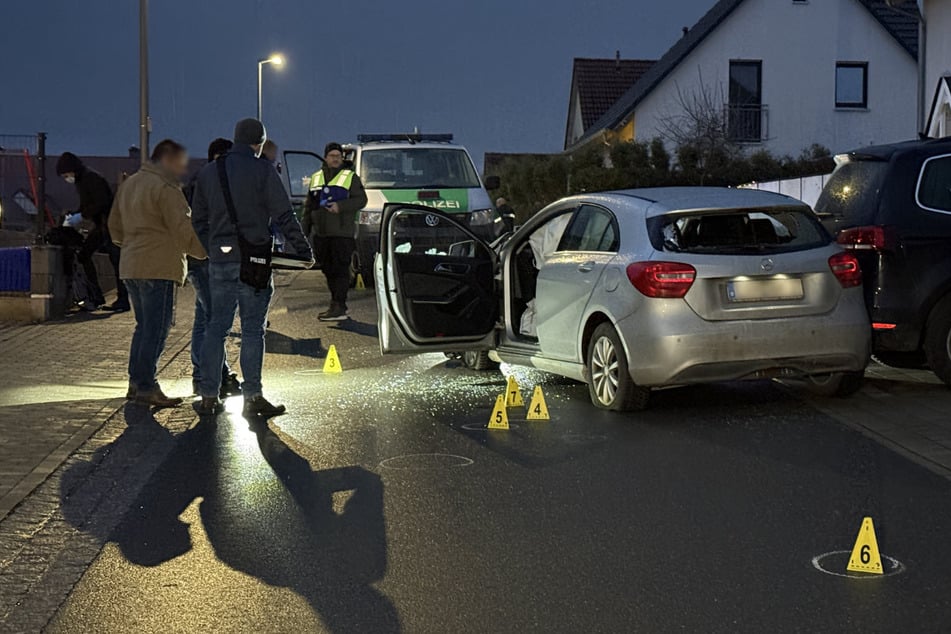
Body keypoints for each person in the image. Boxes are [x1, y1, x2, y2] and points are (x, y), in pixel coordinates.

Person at [191, 118, 313, 417]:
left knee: (215, 328)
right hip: (254, 261)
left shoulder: (209, 172)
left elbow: (198, 220)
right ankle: (253, 398)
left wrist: (215, 248)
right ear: (258, 143)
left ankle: (208, 396)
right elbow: (284, 214)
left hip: (221, 261)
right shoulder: (262, 170)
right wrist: (304, 250)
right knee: (252, 331)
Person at [108, 139, 208, 407]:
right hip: (158, 266)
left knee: (143, 327)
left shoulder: (129, 184)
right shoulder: (166, 188)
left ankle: (135, 382)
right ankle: (146, 386)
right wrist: (206, 252)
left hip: (131, 265)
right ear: (166, 160)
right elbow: (183, 229)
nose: (182, 168)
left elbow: (114, 227)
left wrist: (131, 245)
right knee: (156, 329)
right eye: (179, 162)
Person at [187, 138, 241, 397]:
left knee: (204, 319)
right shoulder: (212, 184)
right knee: (214, 322)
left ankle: (205, 374)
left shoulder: (199, 182)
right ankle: (213, 376)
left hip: (200, 259)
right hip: (208, 260)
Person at [56, 152, 130, 311]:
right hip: (103, 225)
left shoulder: (90, 179)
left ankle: (121, 299)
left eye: (65, 175)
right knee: (86, 255)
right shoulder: (84, 179)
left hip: (109, 225)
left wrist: (80, 216)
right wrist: (77, 215)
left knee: (116, 261)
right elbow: (87, 204)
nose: (66, 178)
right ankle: (98, 296)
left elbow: (100, 202)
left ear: (72, 170)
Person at [304, 142, 368, 321]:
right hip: (321, 234)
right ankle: (336, 303)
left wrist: (341, 206)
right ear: (325, 157)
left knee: (340, 269)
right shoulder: (316, 178)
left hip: (342, 233)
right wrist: (305, 229)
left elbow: (361, 200)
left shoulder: (350, 177)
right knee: (327, 269)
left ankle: (339, 304)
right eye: (332, 156)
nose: (335, 159)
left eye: (338, 156)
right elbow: (309, 206)